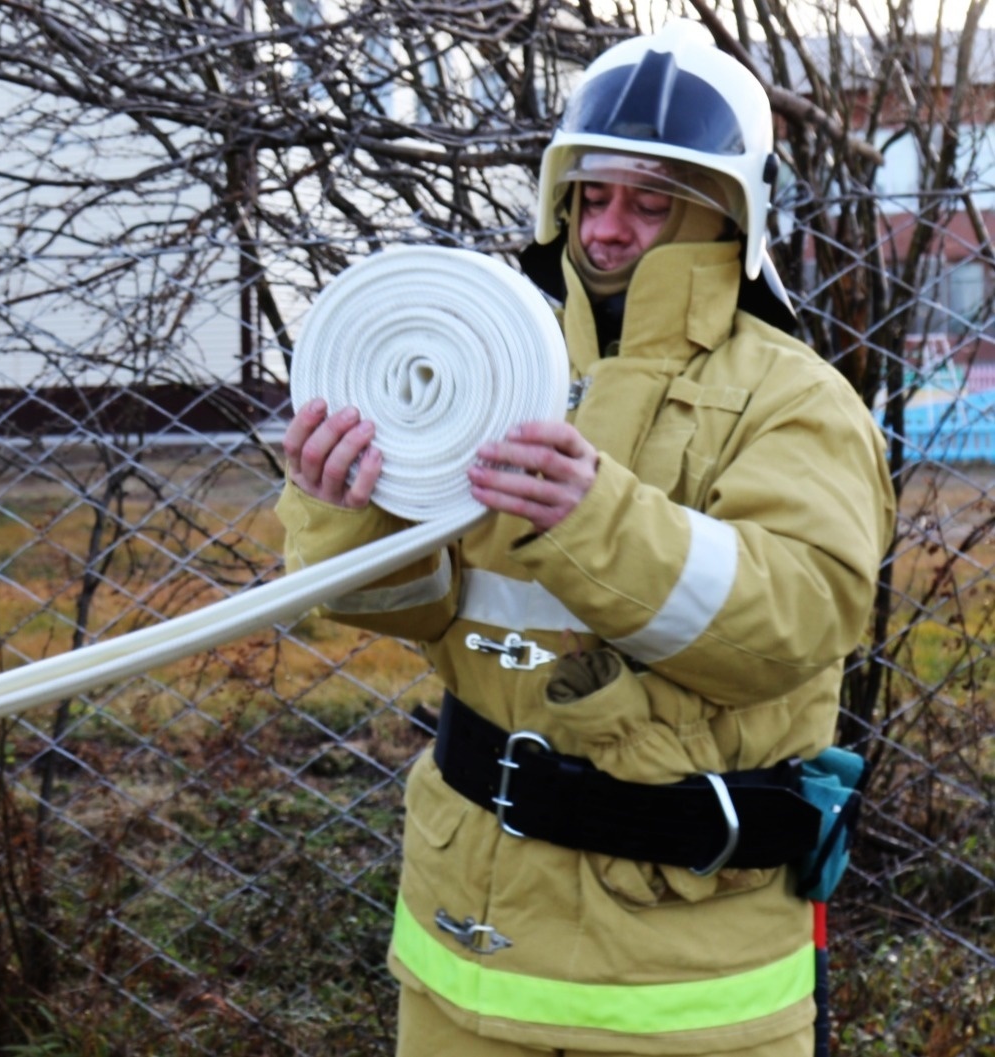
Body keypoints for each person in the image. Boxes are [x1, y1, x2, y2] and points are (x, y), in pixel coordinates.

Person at [277, 22, 894, 1057]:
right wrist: (350, 506)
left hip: (684, 988)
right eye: (591, 196)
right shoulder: (483, 359)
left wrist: (595, 521)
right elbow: (415, 610)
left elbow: (792, 623)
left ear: (724, 217)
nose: (608, 231)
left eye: (650, 203)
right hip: (459, 950)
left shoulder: (794, 400)